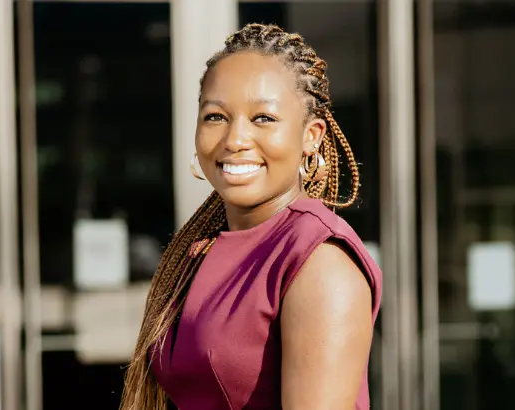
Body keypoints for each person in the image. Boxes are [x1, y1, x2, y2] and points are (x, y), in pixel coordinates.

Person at [120, 23, 382, 410]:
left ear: (311, 135)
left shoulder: (319, 261)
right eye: (215, 117)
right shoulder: (203, 250)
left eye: (263, 118)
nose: (235, 140)